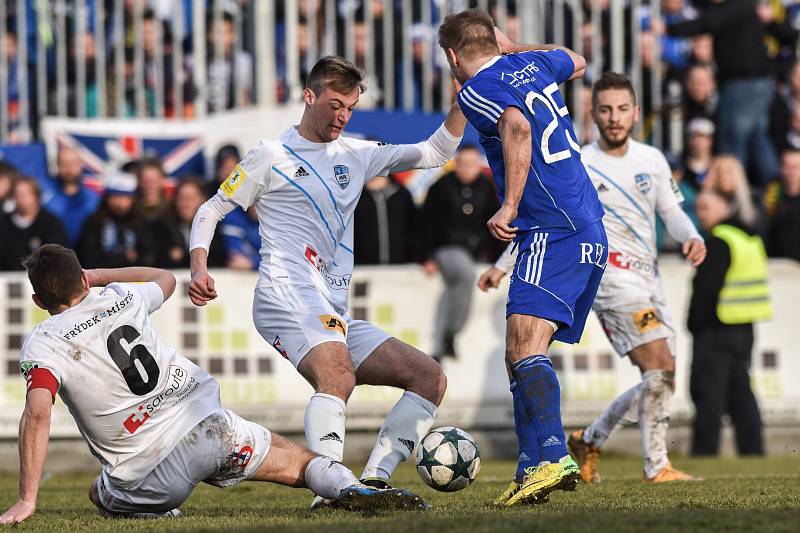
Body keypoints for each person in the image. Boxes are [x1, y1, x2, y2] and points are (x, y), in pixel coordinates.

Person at [188, 56, 464, 506]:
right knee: (337, 374)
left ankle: (373, 481)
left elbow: (435, 153)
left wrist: (462, 102)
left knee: (428, 377)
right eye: (335, 104)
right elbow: (209, 210)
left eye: (351, 108)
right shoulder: (270, 155)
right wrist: (200, 266)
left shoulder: (357, 154)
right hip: (283, 292)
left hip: (329, 307)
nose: (342, 116)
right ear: (309, 96)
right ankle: (332, 490)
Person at [0, 245, 425, 525]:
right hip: (208, 426)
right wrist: (98, 276)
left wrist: (27, 500)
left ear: (39, 303)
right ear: (83, 279)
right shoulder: (121, 298)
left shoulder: (45, 341)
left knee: (99, 492)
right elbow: (164, 277)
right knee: (296, 460)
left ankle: (155, 512)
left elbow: (38, 413)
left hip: (149, 473)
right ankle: (349, 486)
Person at [485, 72, 707, 484]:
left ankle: (590, 437)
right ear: (593, 113)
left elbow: (672, 212)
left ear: (636, 113)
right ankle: (656, 466)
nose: (614, 118)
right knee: (660, 363)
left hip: (648, 278)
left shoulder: (652, 160)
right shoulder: (579, 162)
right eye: (605, 109)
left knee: (662, 375)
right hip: (608, 277)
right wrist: (503, 263)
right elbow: (548, 219)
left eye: (622, 109)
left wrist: (692, 235)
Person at [438, 11, 606, 506]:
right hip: (587, 223)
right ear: (497, 40)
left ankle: (551, 455)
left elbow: (515, 126)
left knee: (523, 346)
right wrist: (513, 49)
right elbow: (576, 60)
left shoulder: (474, 91)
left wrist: (509, 204)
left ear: (452, 57)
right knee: (522, 348)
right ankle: (533, 468)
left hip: (550, 228)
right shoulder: (534, 64)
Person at [689, 190, 771, 455]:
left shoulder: (720, 241)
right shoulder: (748, 238)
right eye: (699, 208)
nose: (701, 214)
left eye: (706, 207)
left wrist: (694, 324)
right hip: (744, 328)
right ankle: (753, 450)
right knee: (741, 394)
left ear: (725, 206)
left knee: (708, 394)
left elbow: (706, 289)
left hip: (716, 328)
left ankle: (704, 452)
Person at [664, 0, 779, 185]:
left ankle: (731, 192)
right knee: (757, 140)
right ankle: (775, 188)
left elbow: (709, 23)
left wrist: (668, 28)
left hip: (743, 83)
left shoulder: (738, 6)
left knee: (733, 142)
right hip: (753, 83)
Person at [421, 144, 500, 359]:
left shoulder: (488, 187)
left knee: (462, 281)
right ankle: (450, 333)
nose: (467, 168)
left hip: (477, 251)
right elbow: (426, 224)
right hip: (446, 249)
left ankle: (448, 335)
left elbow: (497, 224)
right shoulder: (440, 187)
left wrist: (501, 261)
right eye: (462, 164)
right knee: (465, 274)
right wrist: (427, 256)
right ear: (455, 165)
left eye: (472, 164)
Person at [77, 172, 156, 269]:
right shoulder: (94, 222)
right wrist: (122, 258)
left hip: (134, 280)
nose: (120, 203)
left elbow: (148, 256)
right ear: (107, 198)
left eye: (125, 198)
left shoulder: (140, 222)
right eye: (116, 197)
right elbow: (89, 257)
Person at [0, 177, 69, 271]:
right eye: (18, 194)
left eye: (26, 195)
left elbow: (57, 257)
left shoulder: (50, 223)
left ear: (36, 197)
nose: (21, 199)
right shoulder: (4, 223)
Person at [41, 146, 101, 247]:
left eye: (73, 164)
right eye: (64, 163)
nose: (68, 168)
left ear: (81, 165)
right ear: (57, 165)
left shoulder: (93, 198)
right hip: (54, 256)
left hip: (85, 257)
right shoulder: (45, 196)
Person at [353, 174, 419, 265]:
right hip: (363, 268)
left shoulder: (402, 195)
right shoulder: (354, 198)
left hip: (401, 267)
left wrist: (420, 258)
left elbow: (415, 230)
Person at [768, 148, 800, 260]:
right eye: (787, 166)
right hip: (777, 263)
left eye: (795, 167)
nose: (791, 171)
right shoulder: (772, 196)